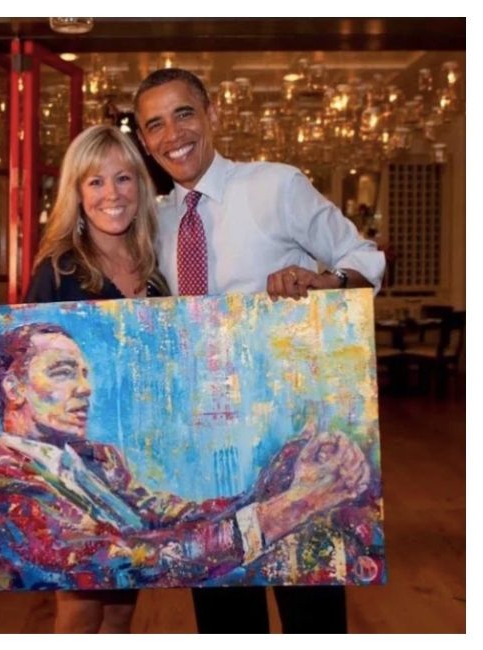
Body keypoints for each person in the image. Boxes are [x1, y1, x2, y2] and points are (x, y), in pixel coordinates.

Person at [133, 67, 386, 633]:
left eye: (183, 114)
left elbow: (366, 258)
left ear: (212, 114)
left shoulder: (277, 187)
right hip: (206, 446)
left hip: (294, 438)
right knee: (225, 617)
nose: (173, 134)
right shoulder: (155, 219)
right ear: (145, 142)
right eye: (155, 125)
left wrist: (325, 282)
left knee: (312, 614)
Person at [0, 324, 373, 608]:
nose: (85, 388)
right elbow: (126, 560)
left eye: (85, 374)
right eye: (64, 373)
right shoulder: (1, 481)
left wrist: (287, 472)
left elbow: (169, 516)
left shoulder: (96, 458)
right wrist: (294, 505)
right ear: (13, 388)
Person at [14, 124, 168, 632]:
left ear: (140, 186)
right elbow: (30, 367)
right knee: (80, 607)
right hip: (75, 466)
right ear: (77, 194)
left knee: (122, 605)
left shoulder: (155, 271)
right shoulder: (59, 270)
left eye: (123, 178)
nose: (111, 194)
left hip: (136, 461)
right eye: (95, 182)